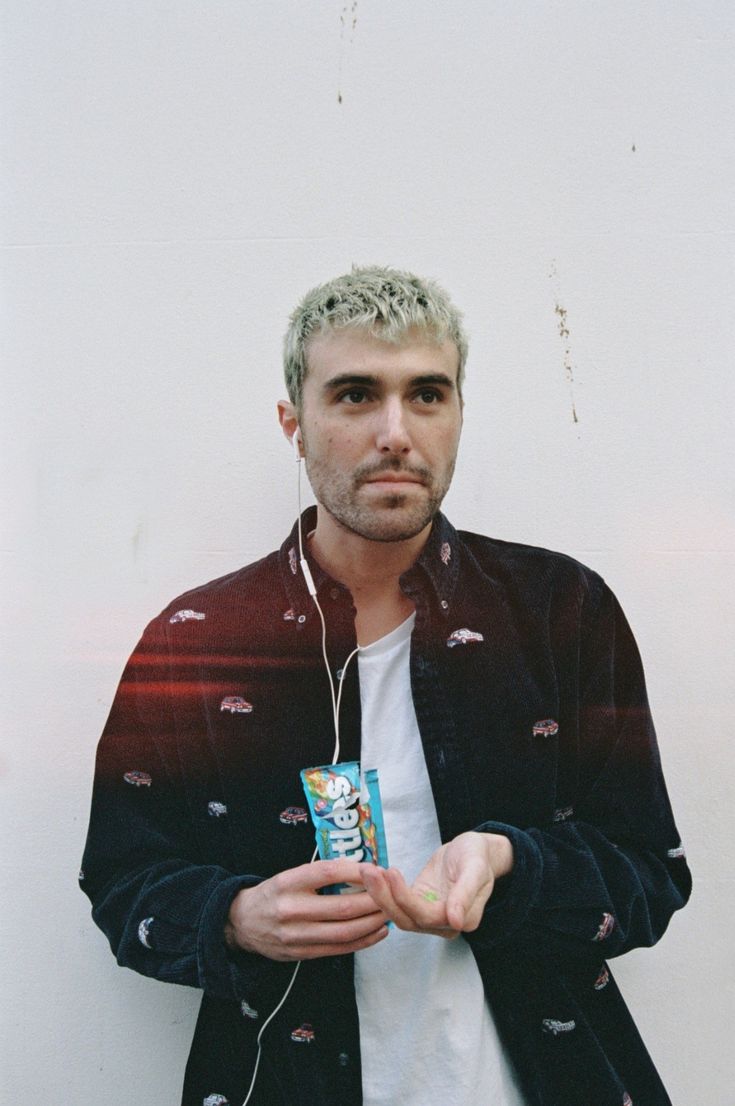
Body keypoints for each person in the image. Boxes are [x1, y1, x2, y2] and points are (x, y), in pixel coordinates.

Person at [80, 266, 691, 1106]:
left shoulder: (560, 611)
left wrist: (510, 863)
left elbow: (649, 873)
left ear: (458, 415)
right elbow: (123, 879)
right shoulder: (197, 640)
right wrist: (235, 917)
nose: (395, 433)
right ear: (294, 423)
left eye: (427, 395)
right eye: (357, 395)